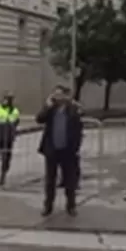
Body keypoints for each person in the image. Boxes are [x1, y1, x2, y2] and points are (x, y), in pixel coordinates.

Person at [36, 85, 83, 216]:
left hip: (68, 150)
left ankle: (71, 205)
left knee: (70, 180)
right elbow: (39, 119)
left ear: (65, 96)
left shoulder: (72, 109)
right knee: (50, 180)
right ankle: (48, 206)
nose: (57, 97)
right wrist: (47, 106)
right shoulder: (51, 109)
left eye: (59, 94)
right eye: (55, 94)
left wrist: (76, 147)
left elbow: (78, 129)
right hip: (52, 150)